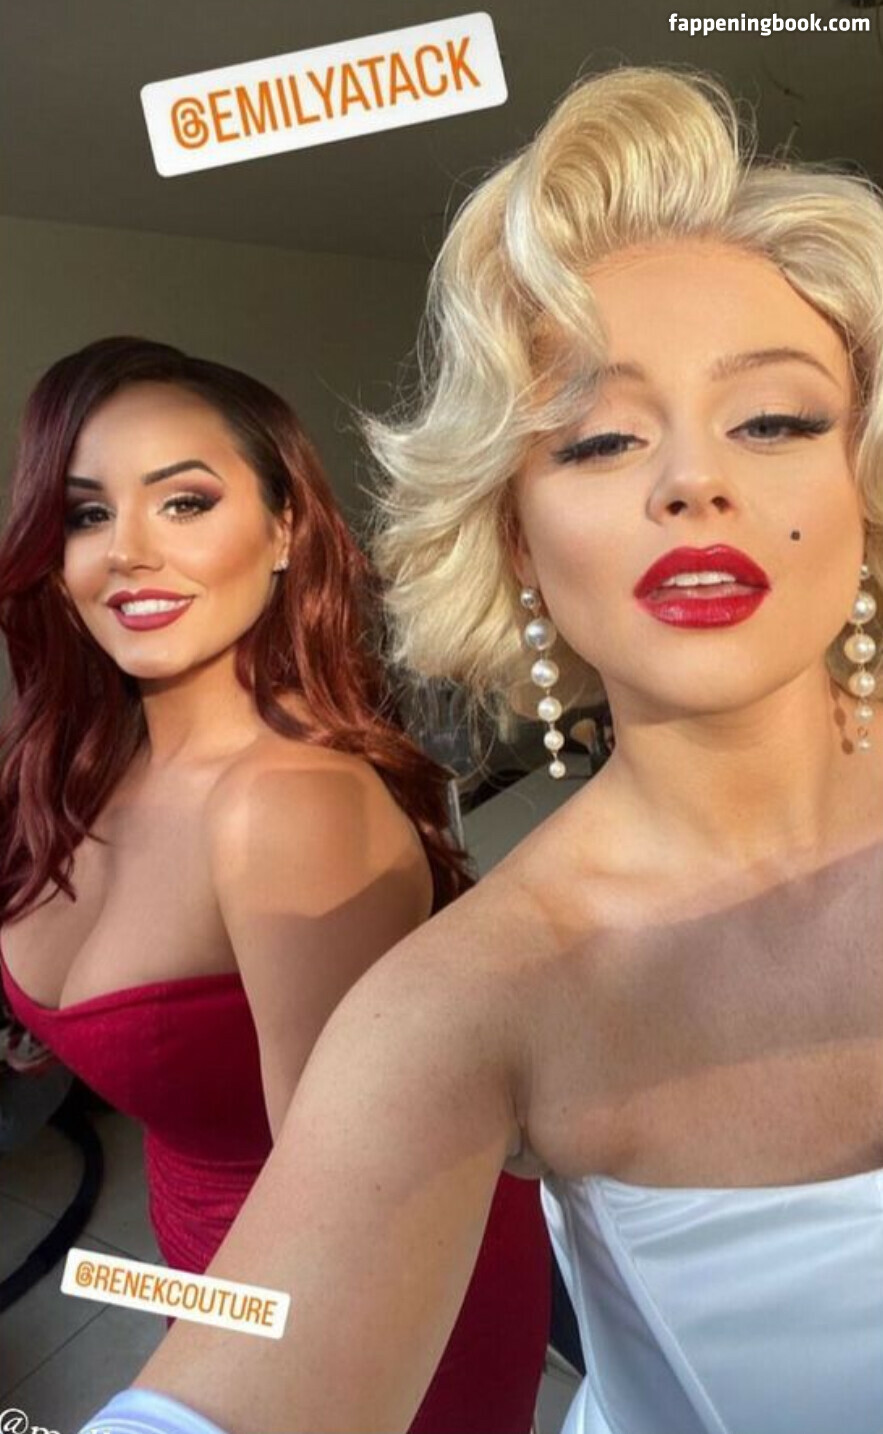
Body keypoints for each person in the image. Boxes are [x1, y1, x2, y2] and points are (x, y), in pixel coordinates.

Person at [83, 62, 883, 1434]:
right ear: (513, 537)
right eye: (598, 439)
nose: (692, 479)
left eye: (773, 419)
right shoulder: (462, 1005)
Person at [0, 338, 550, 1434]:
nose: (128, 553)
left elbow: (351, 1230)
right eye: (88, 515)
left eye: (185, 502)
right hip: (204, 1257)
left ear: (285, 529)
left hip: (366, 1313)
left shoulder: (290, 809)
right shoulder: (75, 772)